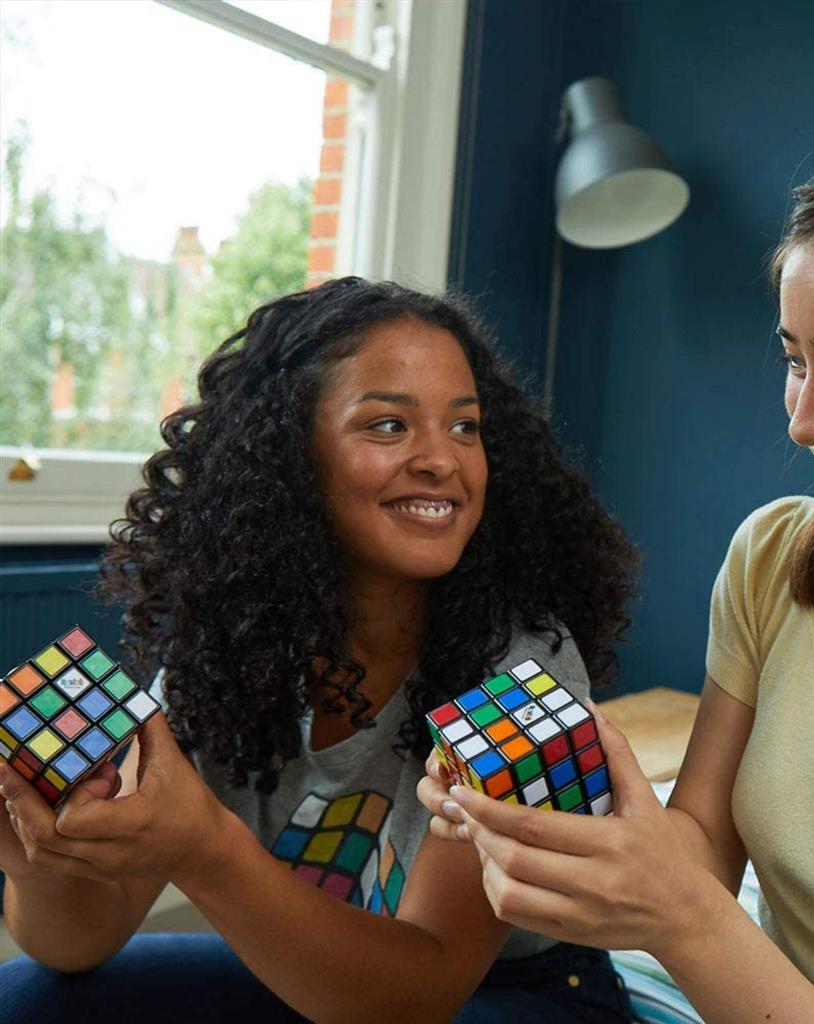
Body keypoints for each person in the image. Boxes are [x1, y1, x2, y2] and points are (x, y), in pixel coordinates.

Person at [420, 113, 814, 1023]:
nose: (805, 420)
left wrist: (684, 916)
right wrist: (573, 820)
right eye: (795, 362)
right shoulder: (776, 558)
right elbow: (700, 844)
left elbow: (692, 905)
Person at [0, 278, 638, 1024]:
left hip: (513, 994)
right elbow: (77, 945)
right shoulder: (233, 655)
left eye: (466, 427)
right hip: (322, 981)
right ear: (291, 459)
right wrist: (36, 855)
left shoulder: (522, 671)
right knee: (29, 1000)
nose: (442, 459)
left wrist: (204, 848)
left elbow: (424, 989)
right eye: (389, 426)